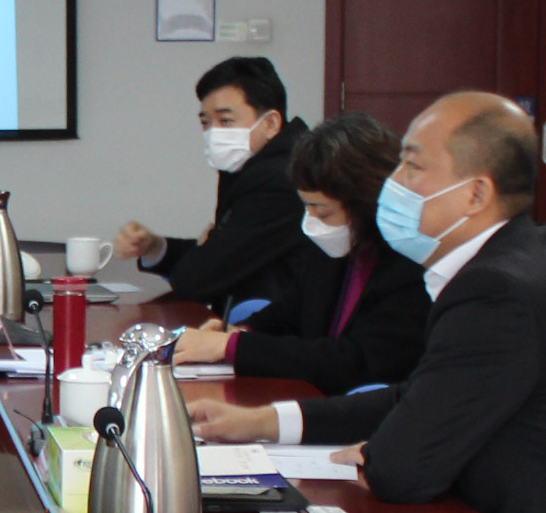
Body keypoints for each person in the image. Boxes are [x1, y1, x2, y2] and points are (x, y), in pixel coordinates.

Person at [187, 91, 546, 513]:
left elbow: (400, 471)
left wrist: (380, 453)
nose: (393, 183)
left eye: (412, 167)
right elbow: (419, 396)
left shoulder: (498, 290)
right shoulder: (511, 260)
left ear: (475, 194)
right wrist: (265, 421)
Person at [173, 111, 428, 394]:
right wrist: (240, 332)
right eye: (306, 206)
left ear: (365, 205)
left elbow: (355, 362)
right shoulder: (336, 246)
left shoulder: (410, 266)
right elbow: (290, 311)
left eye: (321, 210)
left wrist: (233, 347)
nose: (311, 221)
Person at [114, 55, 307, 308]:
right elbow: (217, 255)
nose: (213, 132)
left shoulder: (279, 179)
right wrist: (155, 247)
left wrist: (208, 247)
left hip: (270, 324)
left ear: (271, 123)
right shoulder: (252, 165)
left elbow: (197, 279)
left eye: (225, 120)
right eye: (205, 122)